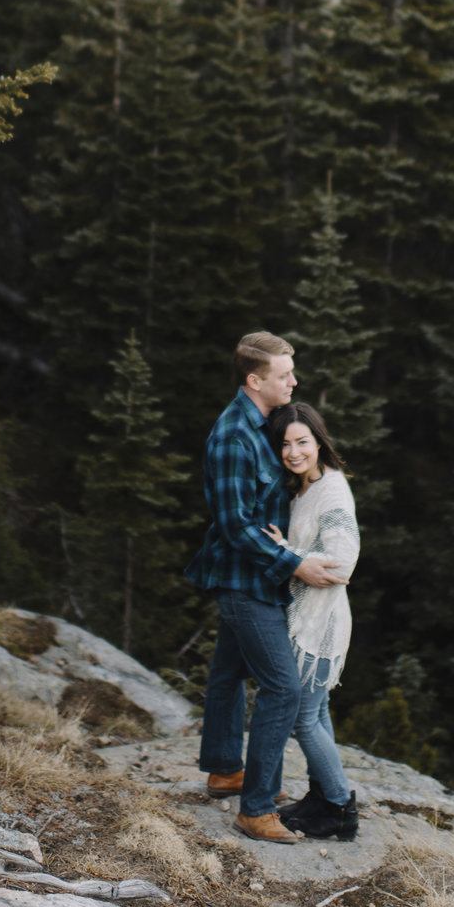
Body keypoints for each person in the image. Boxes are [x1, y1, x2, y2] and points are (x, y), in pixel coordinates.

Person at [182, 331, 347, 846]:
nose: (294, 381)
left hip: (255, 575)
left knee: (228, 674)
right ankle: (255, 809)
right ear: (255, 381)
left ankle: (227, 769)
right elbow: (233, 524)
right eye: (284, 375)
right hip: (246, 580)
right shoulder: (234, 436)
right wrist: (295, 565)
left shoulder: (262, 427)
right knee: (284, 689)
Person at [264, 401, 360, 840]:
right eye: (285, 444)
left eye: (302, 441)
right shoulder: (304, 487)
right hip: (310, 619)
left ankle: (340, 806)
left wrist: (290, 553)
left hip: (319, 626)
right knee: (316, 711)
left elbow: (342, 563)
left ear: (320, 441)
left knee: (304, 716)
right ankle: (323, 795)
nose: (293, 451)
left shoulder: (333, 491)